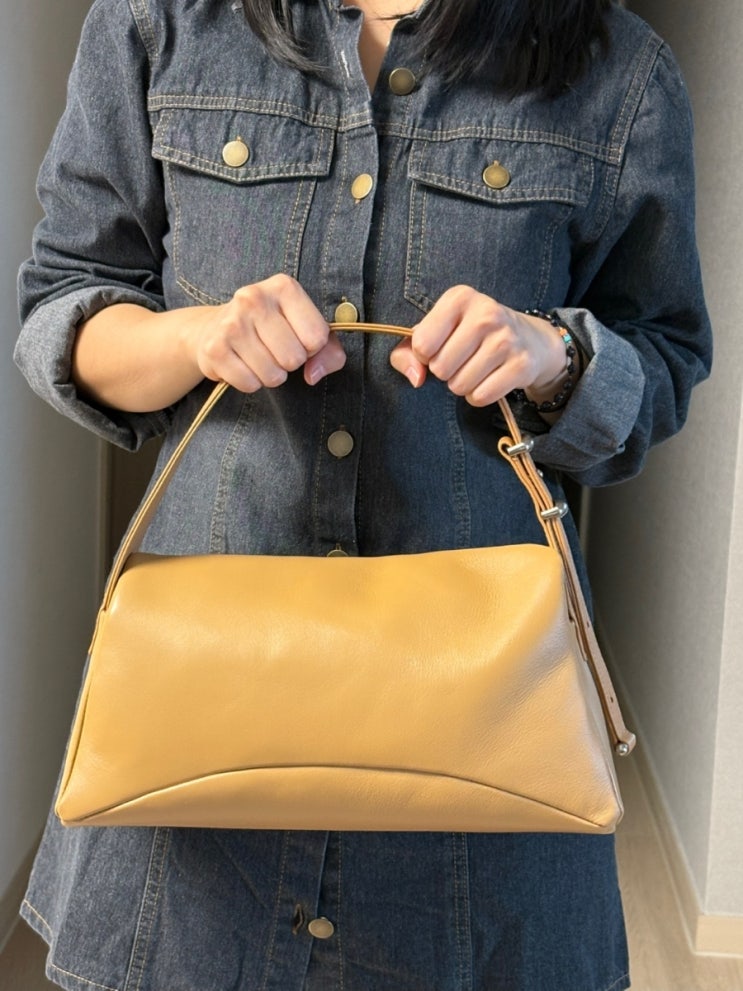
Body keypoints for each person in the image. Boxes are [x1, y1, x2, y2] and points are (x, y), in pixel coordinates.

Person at [14, 0, 711, 988]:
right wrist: (194, 337)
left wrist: (552, 354)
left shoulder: (617, 70)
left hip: (484, 808)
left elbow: (664, 360)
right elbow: (63, 301)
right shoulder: (159, 25)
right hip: (188, 793)